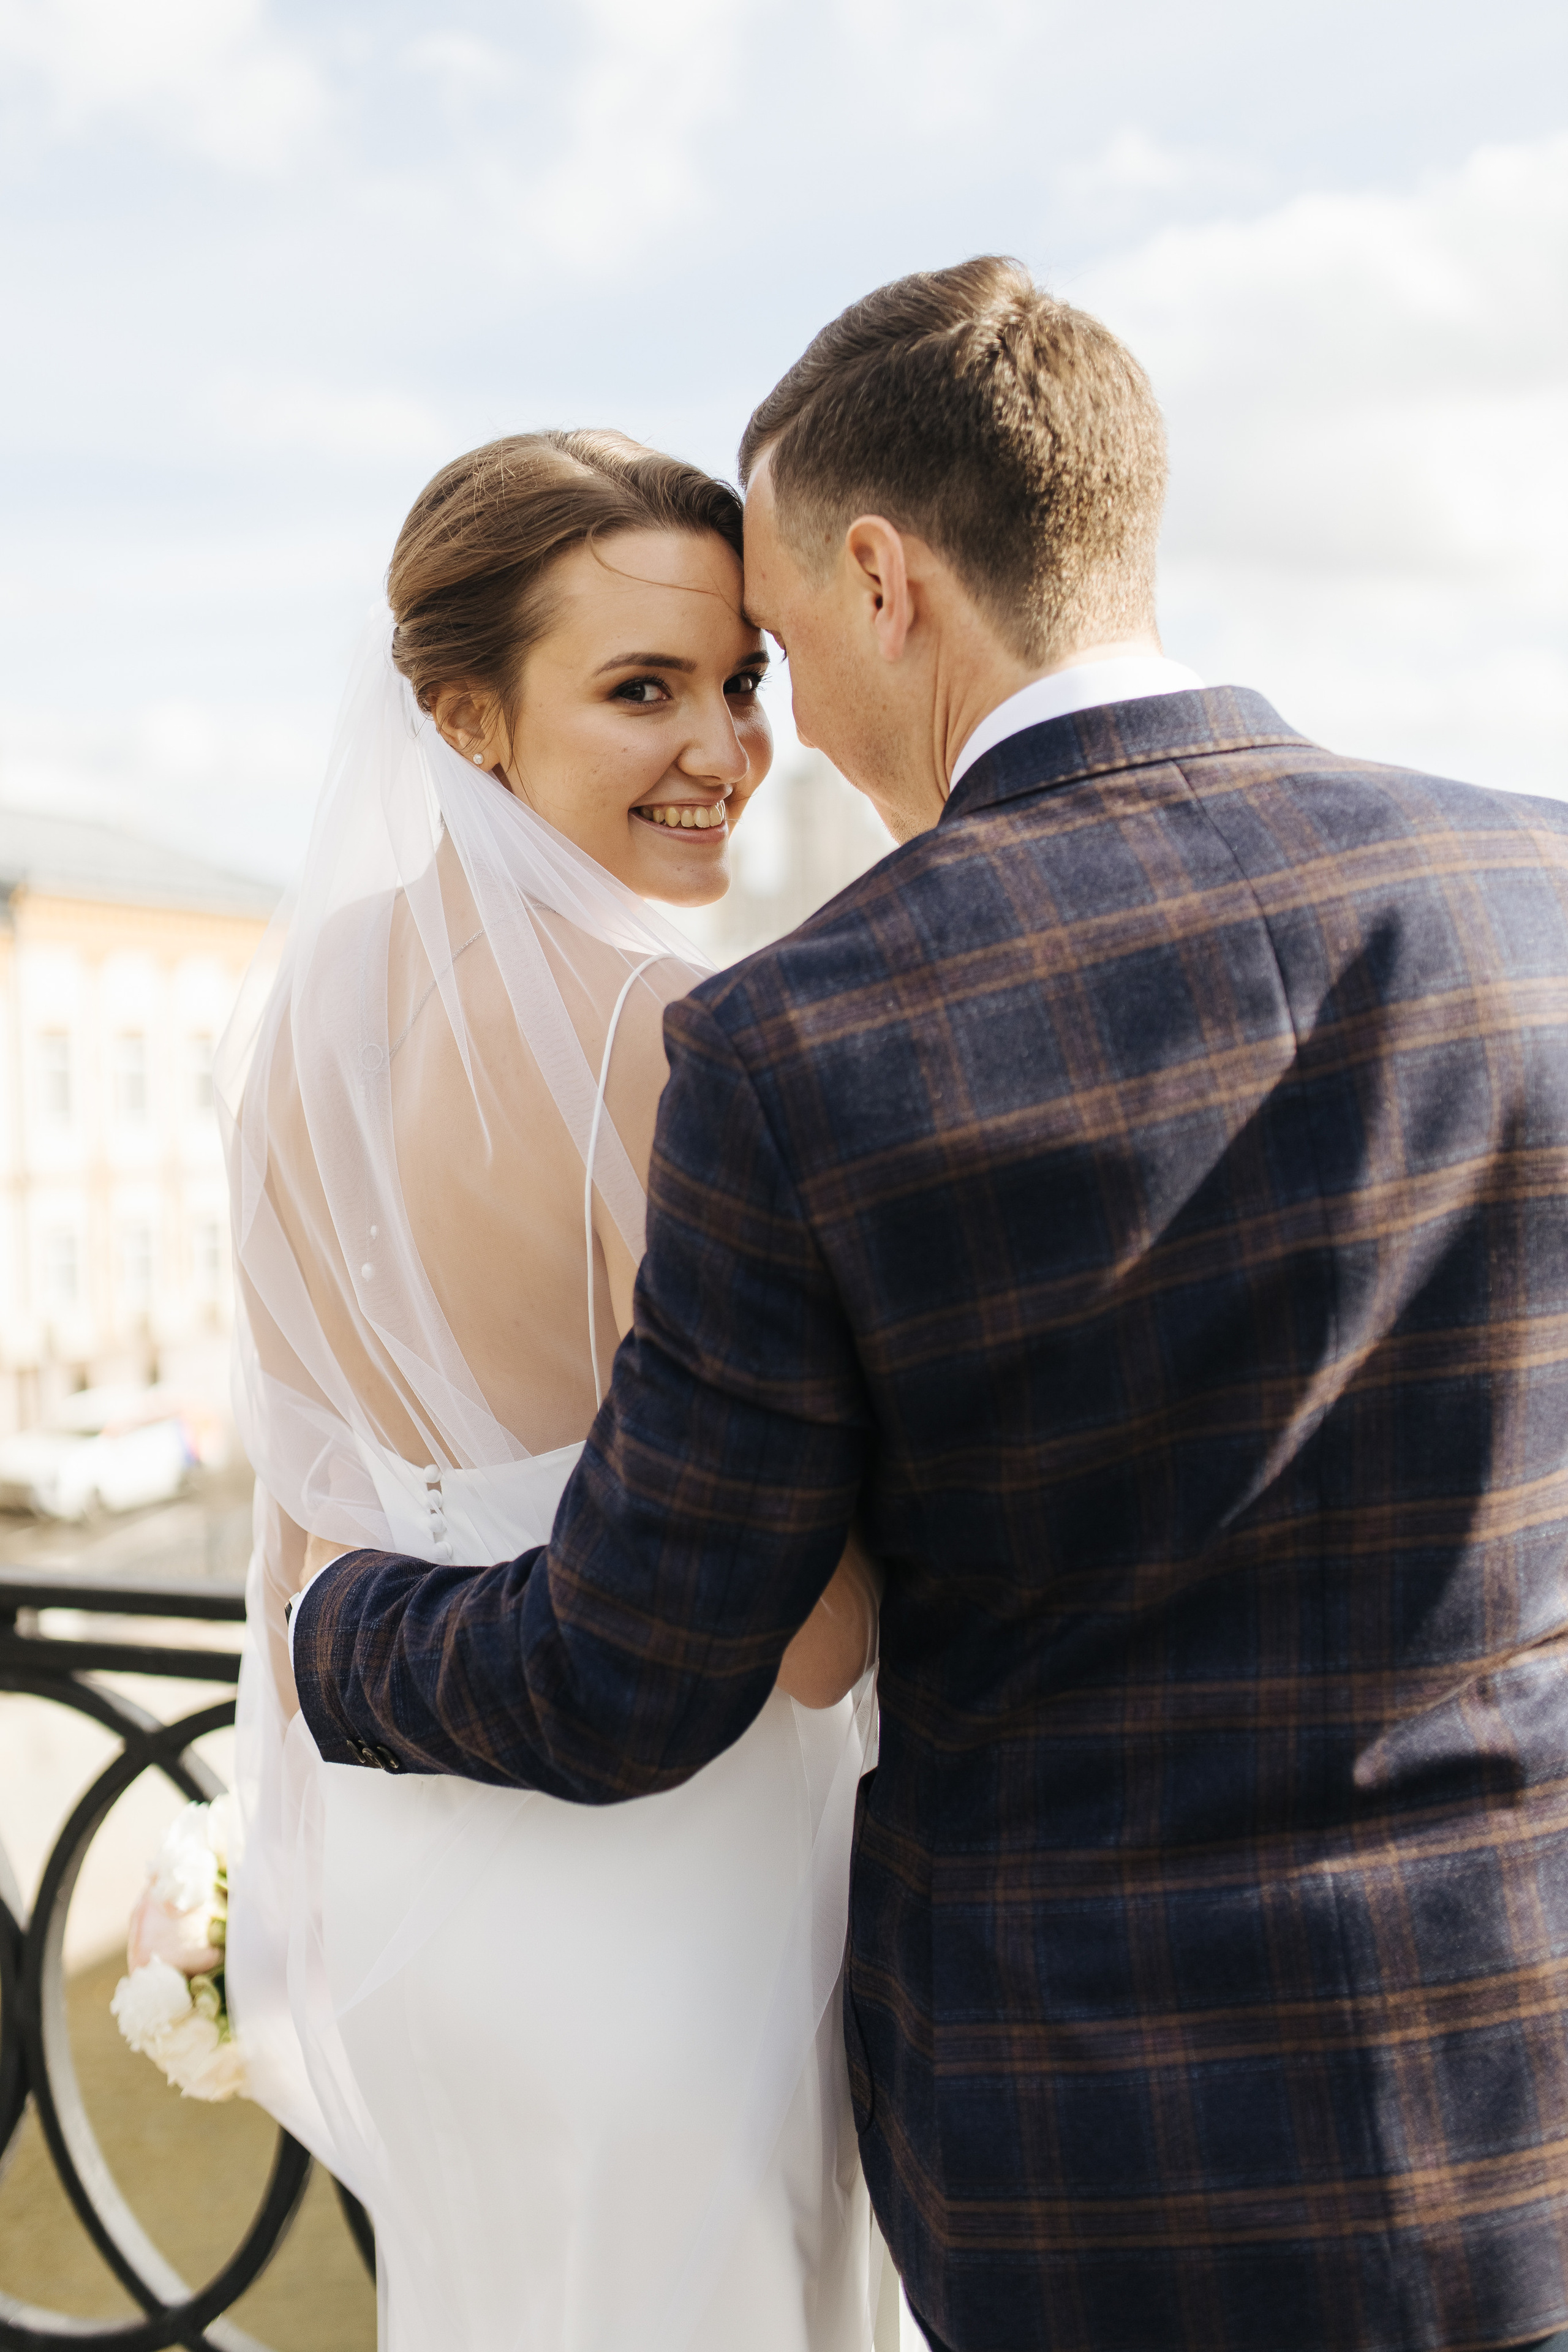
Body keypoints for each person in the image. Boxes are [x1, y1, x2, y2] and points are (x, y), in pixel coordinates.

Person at [291, 259, 1568, 2352]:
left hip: (1090, 2150)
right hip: (1523, 2082)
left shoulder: (808, 1040)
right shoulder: (1539, 893)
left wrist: (343, 1631)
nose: (755, 728)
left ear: (881, 580)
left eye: (775, 645)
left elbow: (638, 1671)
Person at [219, 429, 882, 2352]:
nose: (728, 750)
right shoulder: (678, 1041)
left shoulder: (307, 1020)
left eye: (740, 680)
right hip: (671, 1900)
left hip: (428, 1896)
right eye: (641, 690)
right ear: (469, 721)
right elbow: (817, 1643)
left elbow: (301, 1520)